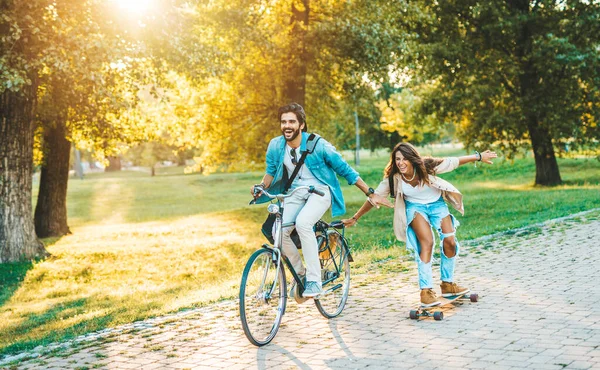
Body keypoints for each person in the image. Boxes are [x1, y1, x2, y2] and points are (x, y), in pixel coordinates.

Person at [251, 102, 390, 298]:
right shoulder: (276, 145)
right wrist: (261, 187)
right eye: (283, 122)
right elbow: (270, 172)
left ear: (301, 124)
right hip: (294, 193)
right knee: (278, 232)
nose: (287, 126)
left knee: (303, 224)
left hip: (320, 191)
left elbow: (345, 169)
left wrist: (370, 192)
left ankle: (315, 282)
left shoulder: (318, 144)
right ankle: (301, 274)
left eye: (291, 121)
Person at [342, 142, 497, 307]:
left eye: (404, 159)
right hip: (415, 208)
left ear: (412, 159)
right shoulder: (393, 179)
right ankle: (426, 291)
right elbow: (374, 198)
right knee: (427, 243)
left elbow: (453, 161)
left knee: (450, 241)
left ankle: (448, 284)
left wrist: (478, 156)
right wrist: (355, 217)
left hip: (437, 204)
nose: (401, 163)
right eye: (397, 159)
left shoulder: (427, 166)